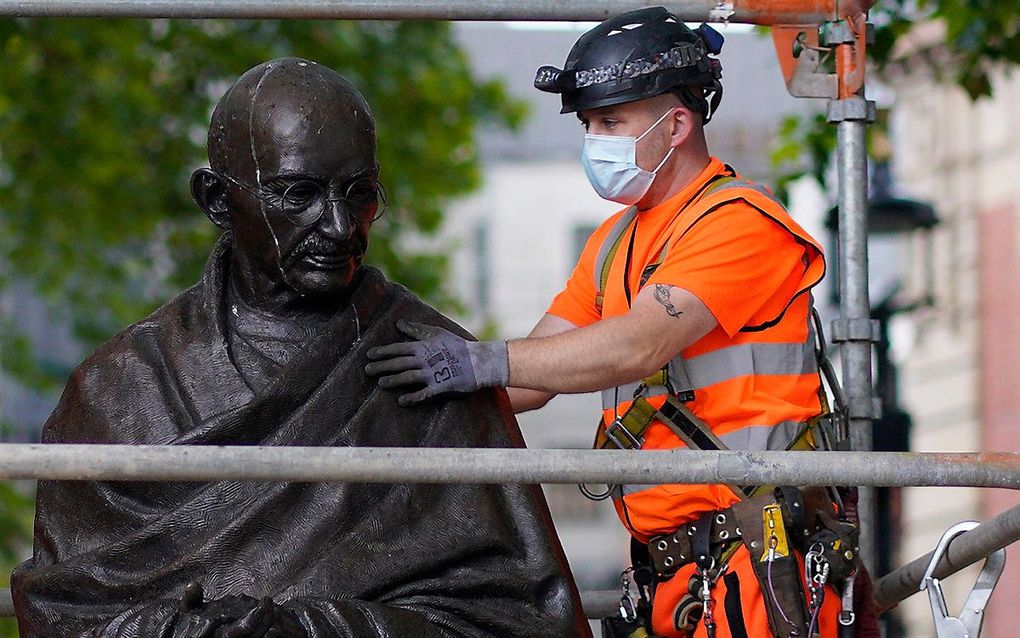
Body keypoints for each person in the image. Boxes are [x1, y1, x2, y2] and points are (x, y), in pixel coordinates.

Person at [11, 57, 589, 638]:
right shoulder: (119, 388)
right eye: (297, 194)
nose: (340, 226)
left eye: (360, 194)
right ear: (216, 200)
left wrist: (311, 630)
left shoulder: (428, 363)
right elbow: (67, 614)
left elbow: (525, 619)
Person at [365, 8, 875, 638]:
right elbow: (535, 372)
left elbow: (637, 345)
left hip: (758, 564)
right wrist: (396, 391)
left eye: (610, 121)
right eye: (588, 125)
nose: (594, 141)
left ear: (677, 124)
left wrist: (480, 362)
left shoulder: (742, 223)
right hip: (677, 575)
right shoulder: (613, 244)